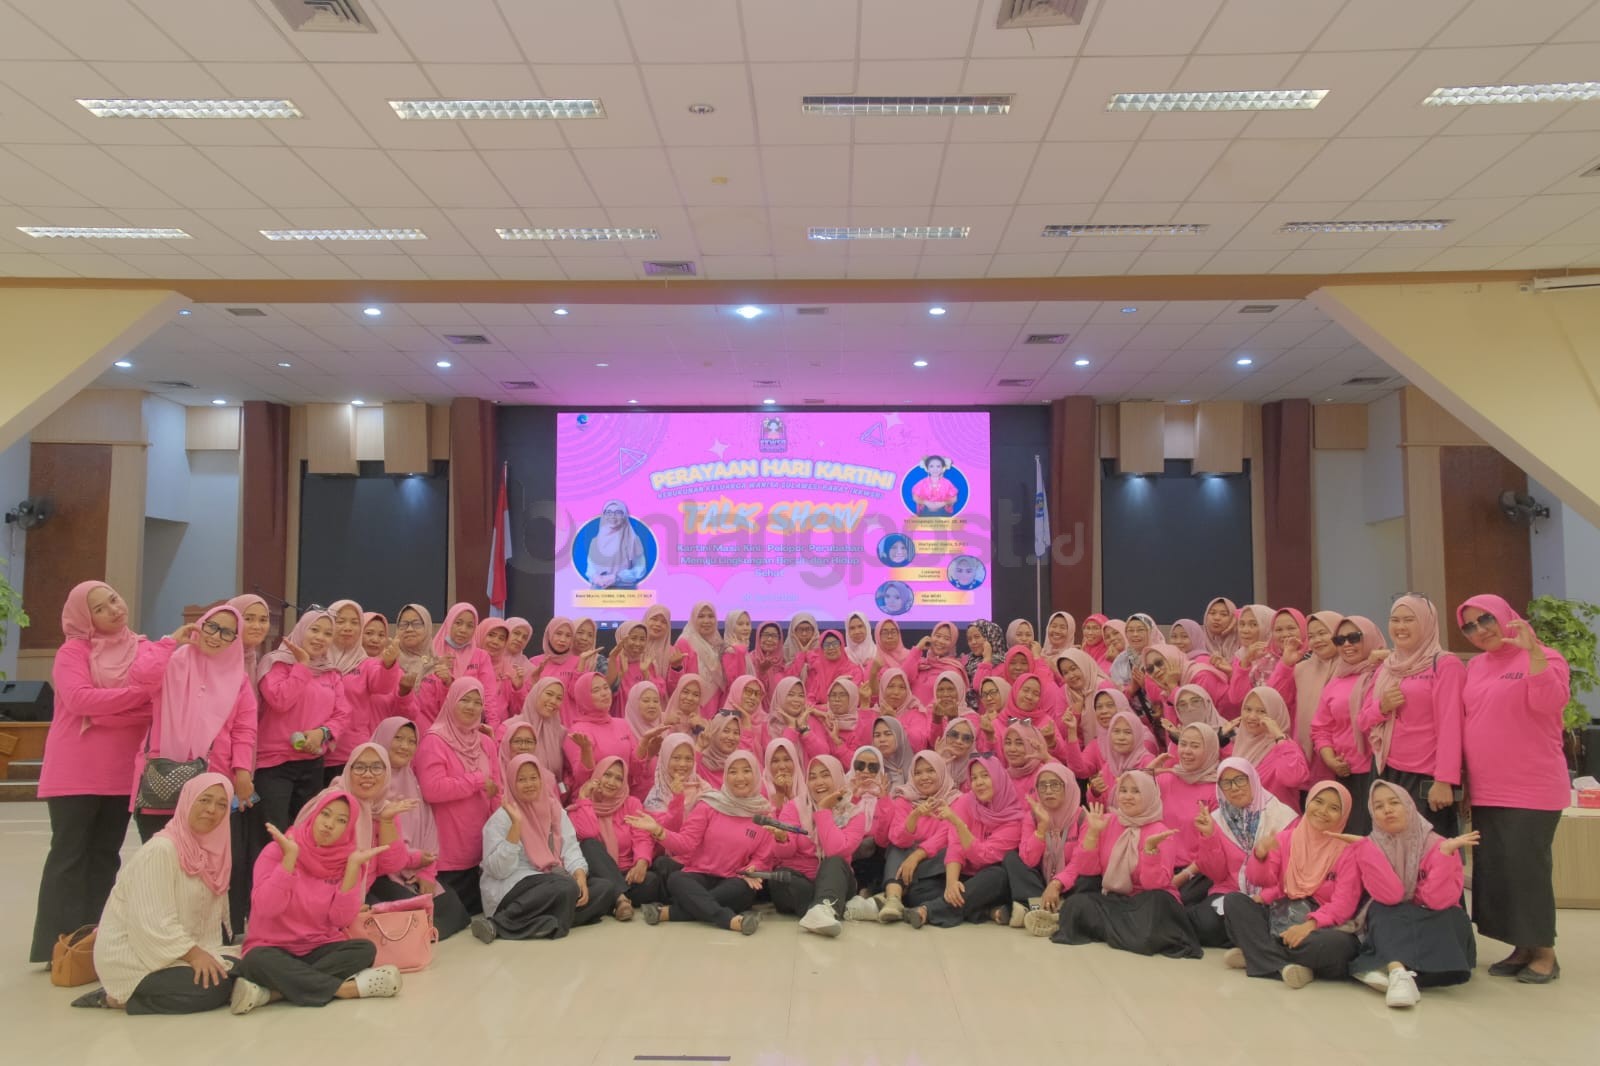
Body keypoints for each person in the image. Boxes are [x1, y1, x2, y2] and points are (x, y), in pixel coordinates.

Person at [32, 581, 173, 964]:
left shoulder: (143, 649)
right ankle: (56, 945)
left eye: (113, 599)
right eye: (99, 608)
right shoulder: (73, 651)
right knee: (69, 855)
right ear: (85, 618)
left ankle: (92, 940)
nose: (113, 609)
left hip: (122, 772)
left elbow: (156, 706)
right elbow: (79, 700)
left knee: (106, 856)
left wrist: (108, 709)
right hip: (74, 771)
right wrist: (137, 697)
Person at [1455, 593, 1570, 984]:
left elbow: (1549, 703)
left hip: (1532, 787)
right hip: (1487, 787)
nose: (1479, 630)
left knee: (1526, 870)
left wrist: (1533, 653)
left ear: (1506, 616)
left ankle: (1545, 952)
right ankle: (1521, 946)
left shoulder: (1546, 656)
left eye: (1485, 619)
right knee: (1498, 872)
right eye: (1469, 626)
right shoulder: (1476, 667)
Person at [74, 774, 238, 1013]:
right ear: (187, 801)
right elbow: (153, 922)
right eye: (204, 800)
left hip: (186, 952)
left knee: (249, 965)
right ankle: (115, 998)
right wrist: (195, 955)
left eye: (222, 804)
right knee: (211, 988)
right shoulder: (161, 850)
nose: (212, 810)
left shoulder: (212, 852)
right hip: (137, 959)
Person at [229, 792, 399, 1013]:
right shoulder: (278, 850)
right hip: (272, 947)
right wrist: (289, 860)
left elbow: (340, 920)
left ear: (348, 828)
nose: (329, 825)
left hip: (317, 946)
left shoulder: (349, 861)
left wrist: (352, 870)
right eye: (325, 814)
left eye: (341, 820)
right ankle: (346, 990)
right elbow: (266, 908)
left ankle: (274, 993)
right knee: (255, 960)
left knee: (364, 950)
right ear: (313, 815)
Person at [130, 604, 257, 841]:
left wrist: (242, 771)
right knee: (161, 854)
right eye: (212, 627)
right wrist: (170, 642)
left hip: (212, 780)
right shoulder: (171, 664)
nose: (216, 636)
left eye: (227, 633)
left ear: (235, 640)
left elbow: (244, 730)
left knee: (203, 857)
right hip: (163, 776)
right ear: (199, 625)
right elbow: (140, 676)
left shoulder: (239, 681)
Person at [1220, 781, 1362, 989]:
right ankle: (1286, 965)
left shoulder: (1348, 852)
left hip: (1319, 927)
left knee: (1340, 946)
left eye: (1334, 808)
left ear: (1344, 814)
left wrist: (1309, 926)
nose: (1323, 811)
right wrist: (1260, 856)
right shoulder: (1287, 839)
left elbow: (1343, 905)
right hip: (1281, 915)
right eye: (1318, 802)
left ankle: (1258, 954)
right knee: (1234, 902)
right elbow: (1263, 881)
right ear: (1308, 802)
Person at [1349, 782, 1479, 1008]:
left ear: (1409, 806)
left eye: (1394, 803)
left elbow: (1436, 901)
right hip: (1395, 915)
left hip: (1432, 914)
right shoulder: (1371, 845)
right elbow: (1390, 895)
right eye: (1379, 806)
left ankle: (1388, 970)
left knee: (1452, 917)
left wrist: (1444, 856)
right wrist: (1368, 851)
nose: (1387, 810)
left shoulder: (1438, 844)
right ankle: (1399, 973)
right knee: (1380, 910)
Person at [1049, 771, 1200, 959]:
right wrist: (1092, 835)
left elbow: (1155, 885)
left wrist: (1150, 851)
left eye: (1136, 791)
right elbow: (1088, 870)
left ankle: (1112, 930)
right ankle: (1124, 932)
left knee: (1156, 907)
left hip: (1147, 902)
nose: (1128, 796)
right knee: (1076, 905)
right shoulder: (1106, 821)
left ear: (1149, 795)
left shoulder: (1161, 832)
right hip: (1115, 900)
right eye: (1123, 790)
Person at [473, 755, 618, 942]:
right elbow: (499, 871)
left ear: (541, 780)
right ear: (511, 783)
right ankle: (498, 924)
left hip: (552, 880)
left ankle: (544, 924)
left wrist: (580, 875)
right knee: (565, 887)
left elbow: (570, 847)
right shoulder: (502, 818)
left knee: (604, 888)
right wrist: (516, 826)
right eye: (521, 779)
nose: (529, 784)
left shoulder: (554, 810)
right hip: (513, 885)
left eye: (533, 778)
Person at [626, 750, 773, 934]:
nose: (740, 777)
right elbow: (685, 843)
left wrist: (753, 868)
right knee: (677, 879)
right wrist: (658, 830)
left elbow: (762, 858)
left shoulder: (763, 815)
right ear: (726, 776)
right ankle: (728, 920)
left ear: (756, 774)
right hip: (698, 875)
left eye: (746, 770)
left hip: (733, 880)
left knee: (745, 890)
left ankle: (670, 912)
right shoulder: (709, 805)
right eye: (733, 771)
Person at [1363, 594, 1465, 838]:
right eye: (1395, 620)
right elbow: (1363, 720)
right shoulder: (1388, 666)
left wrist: (1444, 780)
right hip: (1387, 769)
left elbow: (1451, 726)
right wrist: (1383, 707)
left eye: (1409, 620)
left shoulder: (1445, 664)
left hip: (1426, 775)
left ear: (1427, 623)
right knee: (1390, 846)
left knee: (1428, 847)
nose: (1400, 627)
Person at [367, 716, 470, 940]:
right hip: (379, 873)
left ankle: (418, 935)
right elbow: (373, 843)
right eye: (398, 738)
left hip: (414, 868)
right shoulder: (367, 783)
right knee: (413, 910)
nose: (405, 746)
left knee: (453, 906)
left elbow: (429, 829)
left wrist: (427, 872)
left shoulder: (412, 781)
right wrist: (412, 859)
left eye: (411, 741)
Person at [254, 609, 350, 832]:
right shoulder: (275, 662)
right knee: (273, 833)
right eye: (314, 630)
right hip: (274, 763)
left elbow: (343, 713)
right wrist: (302, 665)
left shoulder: (331, 672)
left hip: (312, 763)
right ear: (300, 630)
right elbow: (280, 700)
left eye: (327, 634)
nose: (320, 638)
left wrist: (322, 733)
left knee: (306, 831)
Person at [1186, 758, 1297, 951]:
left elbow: (1291, 872)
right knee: (1205, 926)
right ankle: (1248, 939)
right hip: (1230, 892)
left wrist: (1264, 896)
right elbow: (1216, 874)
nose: (1234, 788)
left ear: (1252, 779)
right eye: (1226, 783)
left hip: (1273, 895)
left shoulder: (1283, 817)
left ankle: (1246, 940)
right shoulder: (1216, 819)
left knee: (1278, 924)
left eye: (1240, 779)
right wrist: (1209, 836)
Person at [903, 759, 1025, 929]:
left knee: (998, 876)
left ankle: (928, 910)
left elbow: (983, 856)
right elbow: (955, 846)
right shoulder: (966, 801)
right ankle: (985, 911)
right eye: (974, 778)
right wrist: (951, 883)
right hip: (964, 874)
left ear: (998, 778)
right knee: (917, 892)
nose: (979, 782)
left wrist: (960, 825)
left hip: (987, 879)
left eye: (985, 776)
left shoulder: (1014, 819)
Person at [414, 678, 500, 915]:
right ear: (451, 700)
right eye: (465, 700)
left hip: (480, 848)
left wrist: (497, 836)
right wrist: (476, 780)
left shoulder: (485, 743)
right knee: (454, 916)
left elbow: (497, 789)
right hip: (447, 853)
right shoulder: (434, 741)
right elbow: (432, 789)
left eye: (477, 702)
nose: (471, 707)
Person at [766, 755, 869, 938]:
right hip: (801, 881)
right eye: (812, 777)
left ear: (837, 777)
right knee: (780, 878)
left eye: (825, 775)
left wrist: (823, 810)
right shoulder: (795, 807)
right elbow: (784, 854)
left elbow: (835, 850)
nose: (818, 782)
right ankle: (831, 907)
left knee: (834, 861)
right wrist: (782, 839)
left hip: (836, 881)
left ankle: (823, 908)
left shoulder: (854, 814)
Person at [1310, 617, 1386, 836]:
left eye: (1354, 638)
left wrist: (1382, 661)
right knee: (1352, 836)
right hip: (1347, 772)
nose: (1346, 645)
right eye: (1339, 640)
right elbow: (1321, 728)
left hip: (1382, 769)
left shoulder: (1386, 673)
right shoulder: (1336, 681)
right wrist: (1329, 759)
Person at [566, 755, 663, 919]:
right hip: (597, 874)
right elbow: (589, 833)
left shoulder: (631, 804)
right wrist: (584, 799)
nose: (612, 782)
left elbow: (642, 836)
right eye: (607, 775)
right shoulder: (579, 808)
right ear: (597, 776)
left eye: (619, 778)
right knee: (589, 844)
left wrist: (641, 862)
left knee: (651, 881)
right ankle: (620, 899)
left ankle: (613, 898)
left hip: (626, 873)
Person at [1011, 761, 1085, 937]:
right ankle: (1042, 909)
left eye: (1055, 785)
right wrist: (1042, 828)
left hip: (1069, 883)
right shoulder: (1032, 817)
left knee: (1088, 878)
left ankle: (1036, 910)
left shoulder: (1082, 818)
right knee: (1012, 860)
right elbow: (1028, 860)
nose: (1048, 791)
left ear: (1068, 787)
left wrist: (1057, 883)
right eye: (1042, 786)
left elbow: (1080, 861)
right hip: (1041, 881)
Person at [1231, 687, 1310, 811]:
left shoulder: (1287, 747)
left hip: (1278, 820)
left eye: (1262, 711)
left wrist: (1279, 736)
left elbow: (1292, 779)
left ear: (1275, 714)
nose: (1252, 716)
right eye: (1248, 709)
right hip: (1246, 820)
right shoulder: (1241, 743)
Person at [431, 603, 506, 728]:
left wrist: (493, 726)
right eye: (458, 623)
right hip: (434, 721)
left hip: (468, 724)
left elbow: (489, 695)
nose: (463, 630)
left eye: (470, 626)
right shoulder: (432, 652)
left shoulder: (481, 656)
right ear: (449, 622)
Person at [586, 500, 647, 589]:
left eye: (618, 512)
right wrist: (595, 577)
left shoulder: (632, 540)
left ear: (624, 516)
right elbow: (590, 569)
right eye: (609, 512)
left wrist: (617, 578)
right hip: (599, 592)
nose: (613, 516)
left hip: (625, 592)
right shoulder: (595, 541)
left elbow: (640, 568)